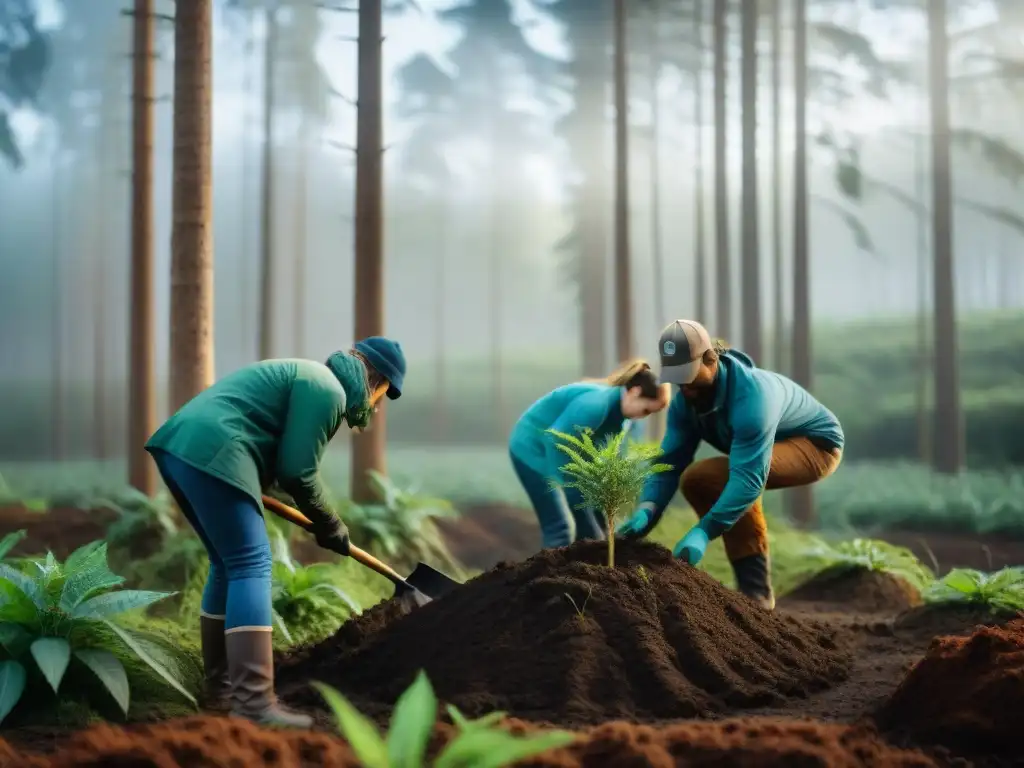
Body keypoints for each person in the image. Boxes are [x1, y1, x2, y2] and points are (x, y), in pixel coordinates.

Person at [144, 337, 406, 727]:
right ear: (376, 378)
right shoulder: (328, 391)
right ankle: (253, 703)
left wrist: (318, 517)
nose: (378, 405)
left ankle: (221, 690)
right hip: (213, 448)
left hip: (181, 447)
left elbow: (280, 466)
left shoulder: (312, 377)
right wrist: (331, 523)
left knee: (227, 563)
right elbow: (298, 472)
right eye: (384, 393)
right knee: (251, 563)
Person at [617, 320, 844, 611]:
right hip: (757, 452)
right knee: (697, 478)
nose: (684, 387)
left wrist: (705, 530)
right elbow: (668, 463)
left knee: (725, 478)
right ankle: (753, 592)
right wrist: (647, 510)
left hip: (815, 445)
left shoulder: (752, 398)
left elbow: (748, 479)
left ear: (711, 360)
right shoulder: (684, 404)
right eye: (677, 377)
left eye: (688, 375)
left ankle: (756, 593)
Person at [509, 360, 670, 550]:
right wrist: (577, 501)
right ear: (634, 392)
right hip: (532, 449)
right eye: (646, 410)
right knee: (560, 527)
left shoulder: (621, 420)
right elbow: (557, 442)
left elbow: (595, 459)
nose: (644, 416)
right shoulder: (595, 405)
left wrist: (600, 512)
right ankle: (550, 576)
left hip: (556, 453)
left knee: (595, 527)